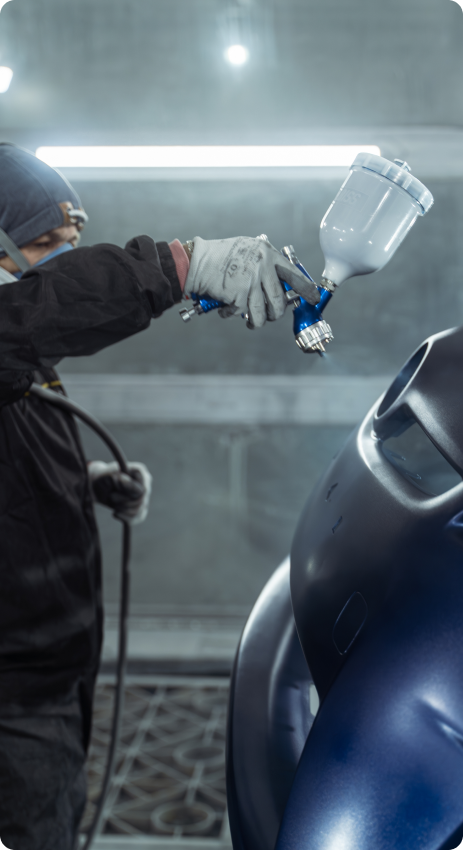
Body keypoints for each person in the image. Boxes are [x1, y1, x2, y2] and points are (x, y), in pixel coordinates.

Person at [0, 142, 319, 850]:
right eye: (44, 245)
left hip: (51, 667)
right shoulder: (13, 333)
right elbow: (36, 314)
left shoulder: (25, 360)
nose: (61, 263)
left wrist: (80, 486)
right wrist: (179, 265)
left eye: (72, 245)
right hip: (12, 692)